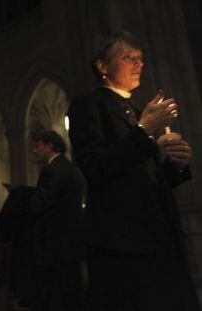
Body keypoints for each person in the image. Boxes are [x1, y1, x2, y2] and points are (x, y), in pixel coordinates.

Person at [68, 31, 200, 310]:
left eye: (140, 59)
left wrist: (175, 165)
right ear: (102, 66)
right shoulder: (88, 105)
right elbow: (95, 168)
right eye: (128, 58)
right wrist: (143, 131)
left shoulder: (138, 111)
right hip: (122, 241)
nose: (139, 64)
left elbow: (148, 178)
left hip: (159, 233)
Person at [29, 130, 86, 311]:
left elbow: (41, 204)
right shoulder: (69, 168)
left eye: (38, 146)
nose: (34, 151)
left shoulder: (53, 170)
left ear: (50, 145)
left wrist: (28, 201)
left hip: (54, 247)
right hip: (70, 246)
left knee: (56, 297)